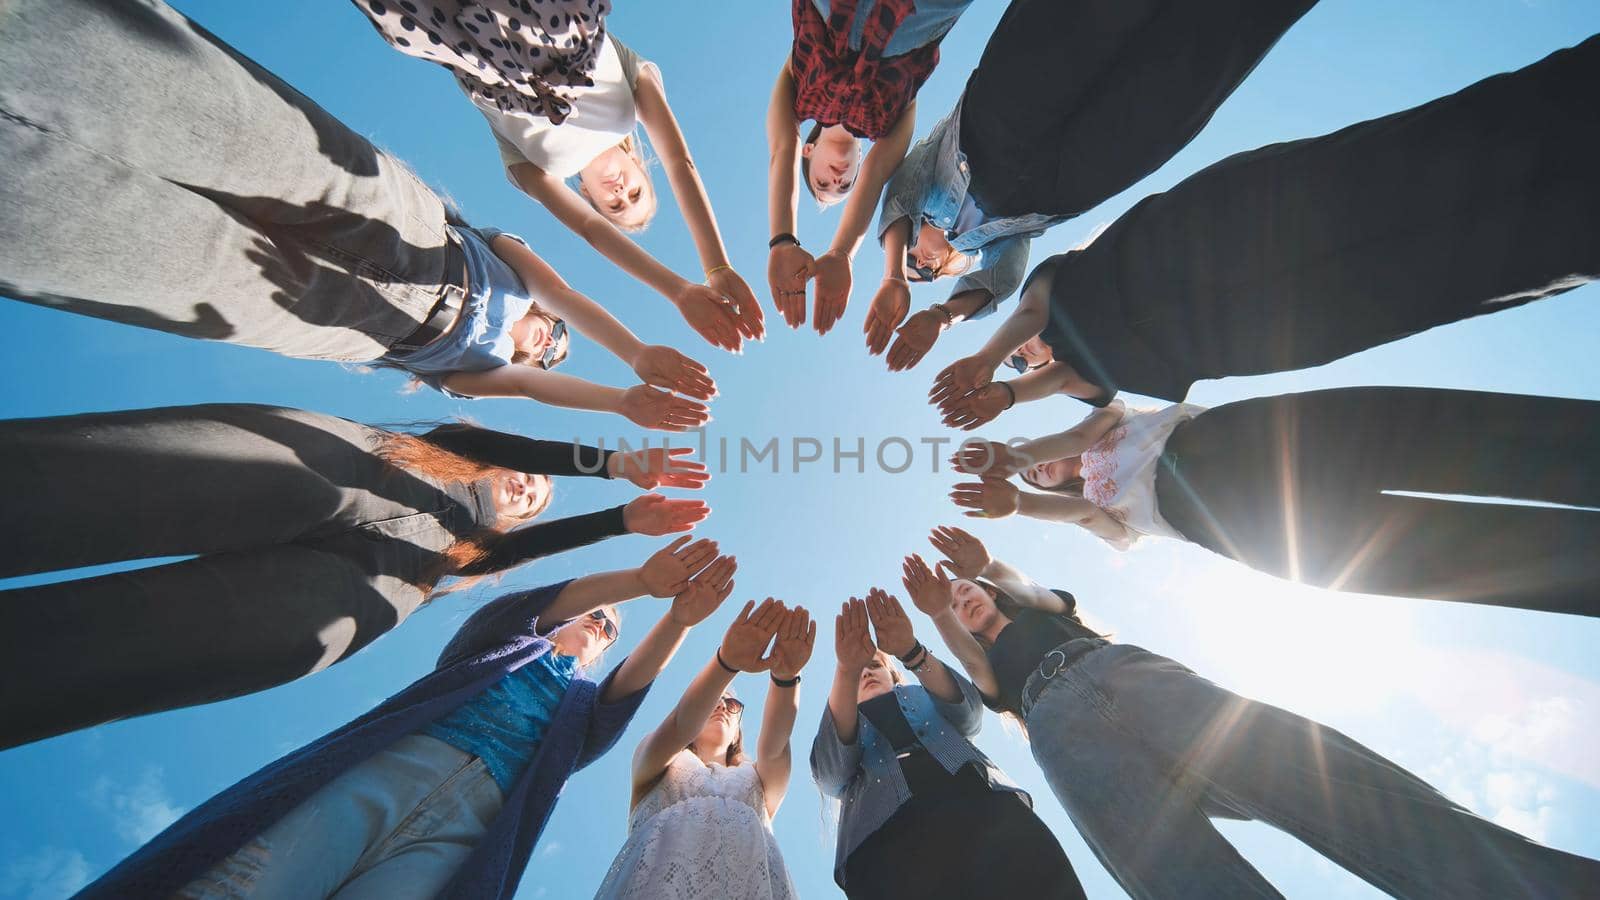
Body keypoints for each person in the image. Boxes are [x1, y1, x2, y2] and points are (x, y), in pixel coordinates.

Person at [0, 0, 713, 431]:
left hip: (362, 326)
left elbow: (525, 386)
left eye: (551, 354)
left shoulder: (476, 371)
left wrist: (620, 403)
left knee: (173, 266)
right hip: (421, 236)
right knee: (232, 129)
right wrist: (638, 354)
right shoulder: (524, 279)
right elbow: (567, 292)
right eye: (558, 340)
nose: (546, 345)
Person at [901, 529, 1600, 899]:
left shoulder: (1050, 613)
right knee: (1176, 876)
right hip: (1061, 730)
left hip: (1129, 678)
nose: (966, 597)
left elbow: (1044, 597)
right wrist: (938, 613)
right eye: (959, 599)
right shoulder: (995, 672)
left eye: (971, 588)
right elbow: (985, 682)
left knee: (1322, 783)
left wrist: (990, 562)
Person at [933, 34, 1600, 409]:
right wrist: (1006, 395)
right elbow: (1061, 378)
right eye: (1025, 360)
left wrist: (989, 357)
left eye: (1021, 351)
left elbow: (1032, 314)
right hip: (1285, 319)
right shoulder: (1083, 378)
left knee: (1436, 157)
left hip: (1253, 219)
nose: (1027, 352)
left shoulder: (1050, 294)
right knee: (1465, 272)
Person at [0, 403, 712, 749]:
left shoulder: (472, 555)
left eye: (537, 501)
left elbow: (512, 554)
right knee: (125, 481)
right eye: (530, 477)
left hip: (383, 582)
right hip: (366, 474)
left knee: (155, 643)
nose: (531, 488)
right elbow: (495, 444)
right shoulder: (443, 449)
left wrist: (618, 523)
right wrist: (608, 466)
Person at [79, 541, 739, 900]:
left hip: (469, 828)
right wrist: (634, 584)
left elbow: (628, 691)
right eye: (597, 614)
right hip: (396, 769)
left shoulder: (581, 715)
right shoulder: (500, 647)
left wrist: (679, 620)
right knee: (251, 881)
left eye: (611, 627)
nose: (602, 623)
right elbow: (529, 610)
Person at [864, 0, 1317, 371]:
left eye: (910, 259)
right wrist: (940, 317)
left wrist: (892, 278)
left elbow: (900, 193)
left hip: (993, 124)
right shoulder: (995, 251)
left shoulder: (924, 179)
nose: (920, 263)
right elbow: (1000, 283)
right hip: (1068, 183)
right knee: (1190, 69)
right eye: (926, 274)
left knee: (1084, 17)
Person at [946, 387, 1600, 617]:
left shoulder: (1103, 423)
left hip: (1224, 445)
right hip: (1217, 521)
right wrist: (1022, 507)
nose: (1044, 471)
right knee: (1438, 556)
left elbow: (1085, 430)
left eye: (1037, 462)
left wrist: (1012, 459)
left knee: (1432, 437)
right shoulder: (1095, 502)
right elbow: (1089, 518)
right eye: (1039, 478)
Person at [351, 1, 766, 352]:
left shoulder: (539, 170)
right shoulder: (629, 102)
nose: (621, 192)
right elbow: (680, 161)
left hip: (468, 43)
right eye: (635, 192)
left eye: (615, 205)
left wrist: (679, 291)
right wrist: (716, 266)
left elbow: (590, 231)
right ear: (640, 162)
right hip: (555, 22)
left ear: (587, 195)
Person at [812, 590, 1084, 899]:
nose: (866, 672)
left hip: (986, 810)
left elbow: (969, 714)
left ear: (893, 674)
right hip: (887, 847)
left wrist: (911, 651)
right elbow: (831, 774)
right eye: (857, 671)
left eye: (874, 665)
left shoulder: (924, 696)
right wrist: (845, 670)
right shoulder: (840, 722)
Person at [766, 0, 979, 333]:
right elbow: (876, 177)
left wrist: (782, 239)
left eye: (823, 183)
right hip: (917, 19)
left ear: (808, 151)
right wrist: (842, 253)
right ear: (859, 163)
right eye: (845, 186)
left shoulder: (798, 93)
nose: (837, 180)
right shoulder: (888, 123)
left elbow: (782, 147)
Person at [594, 599, 815, 898]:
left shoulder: (757, 779)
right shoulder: (662, 762)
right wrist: (728, 662)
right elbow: (678, 726)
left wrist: (786, 677)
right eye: (715, 700)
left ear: (738, 730)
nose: (723, 706)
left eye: (733, 704)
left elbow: (775, 747)